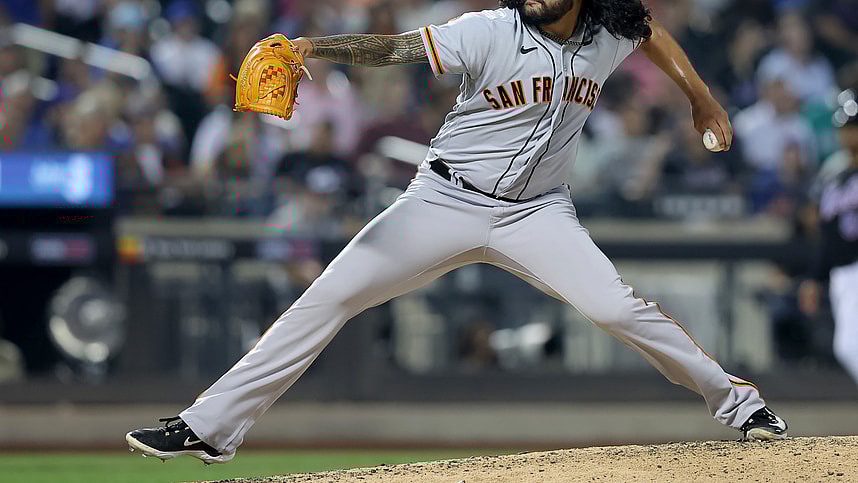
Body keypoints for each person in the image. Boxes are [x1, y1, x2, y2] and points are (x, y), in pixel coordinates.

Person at [126, 0, 788, 464]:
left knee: (616, 306)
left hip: (537, 214)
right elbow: (396, 47)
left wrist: (699, 95)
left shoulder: (606, 33)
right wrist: (314, 46)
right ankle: (209, 427)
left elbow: (649, 31)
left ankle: (740, 404)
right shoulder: (490, 30)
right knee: (327, 296)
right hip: (442, 201)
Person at [798, 113, 858, 388]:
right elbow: (827, 236)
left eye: (854, 128)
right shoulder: (834, 178)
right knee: (848, 347)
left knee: (849, 347)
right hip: (843, 274)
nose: (849, 134)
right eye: (845, 128)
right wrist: (814, 277)